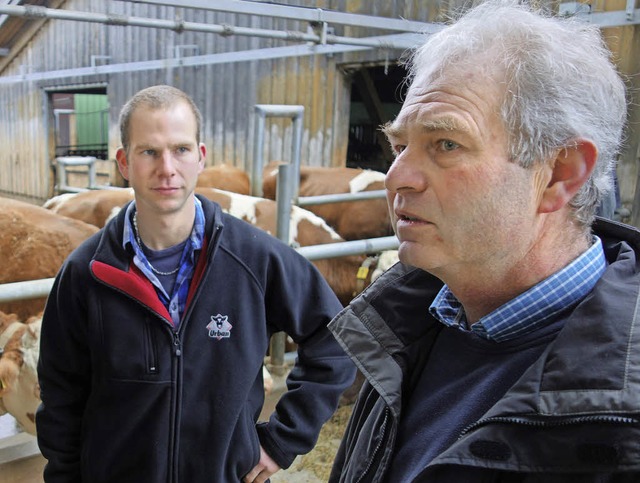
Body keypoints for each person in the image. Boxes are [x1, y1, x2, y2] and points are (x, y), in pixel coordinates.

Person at [328, 2, 640, 482]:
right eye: (400, 145)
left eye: (446, 144)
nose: (395, 178)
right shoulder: (405, 323)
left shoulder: (624, 415)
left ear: (559, 174)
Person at [36, 85, 355, 483]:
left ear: (201, 157)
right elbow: (60, 395)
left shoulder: (254, 258)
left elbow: (336, 338)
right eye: (149, 151)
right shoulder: (87, 272)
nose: (167, 168)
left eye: (181, 149)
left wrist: (282, 440)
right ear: (123, 162)